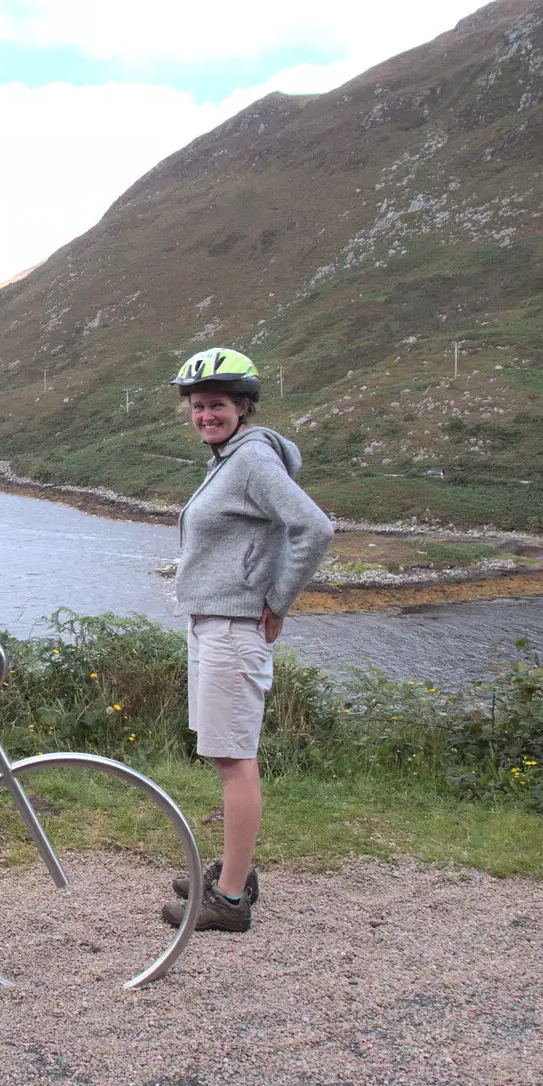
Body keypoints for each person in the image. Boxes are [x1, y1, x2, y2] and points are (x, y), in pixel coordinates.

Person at [159, 349, 333, 932]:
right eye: (199, 405)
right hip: (214, 622)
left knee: (234, 760)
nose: (206, 414)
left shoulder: (253, 460)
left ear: (243, 407)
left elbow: (315, 527)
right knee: (224, 753)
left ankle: (229, 899)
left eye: (218, 405)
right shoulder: (227, 459)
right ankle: (238, 869)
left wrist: (277, 600)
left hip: (235, 628)